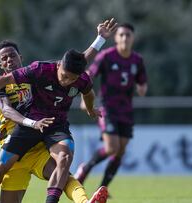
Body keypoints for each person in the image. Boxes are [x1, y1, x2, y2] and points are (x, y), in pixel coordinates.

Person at [0, 19, 118, 203]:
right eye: (4, 58)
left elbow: (76, 63)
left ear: (21, 57)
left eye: (13, 56)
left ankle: (85, 202)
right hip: (16, 143)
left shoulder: (37, 73)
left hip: (41, 144)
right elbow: (7, 111)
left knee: (64, 171)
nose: (9, 60)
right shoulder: (2, 85)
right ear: (1, 64)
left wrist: (100, 39)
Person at [74, 23, 148, 196]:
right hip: (108, 108)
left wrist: (142, 87)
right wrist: (86, 98)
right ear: (116, 38)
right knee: (112, 147)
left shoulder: (137, 60)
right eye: (121, 35)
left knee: (120, 151)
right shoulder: (107, 56)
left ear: (132, 38)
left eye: (128, 35)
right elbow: (89, 75)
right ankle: (85, 168)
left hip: (126, 111)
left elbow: (142, 81)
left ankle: (103, 189)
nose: (124, 38)